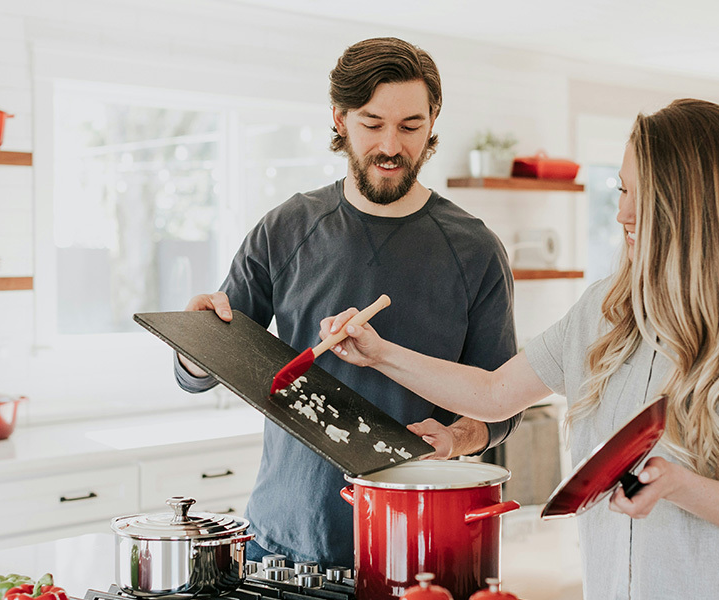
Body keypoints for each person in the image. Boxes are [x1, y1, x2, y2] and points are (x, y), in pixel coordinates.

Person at [322, 99, 719, 599]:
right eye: (621, 190)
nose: (623, 213)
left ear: (697, 206)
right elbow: (494, 393)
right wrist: (378, 352)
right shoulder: (605, 309)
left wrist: (678, 484)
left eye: (643, 195)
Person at [173, 37, 521, 569]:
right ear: (339, 118)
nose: (391, 146)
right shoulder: (285, 228)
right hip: (281, 544)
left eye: (410, 126)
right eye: (372, 123)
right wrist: (194, 344)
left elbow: (502, 403)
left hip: (415, 545)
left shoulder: (475, 250)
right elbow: (204, 369)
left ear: (432, 122)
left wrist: (457, 437)